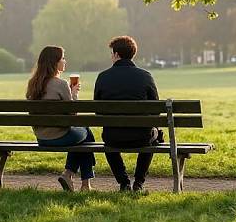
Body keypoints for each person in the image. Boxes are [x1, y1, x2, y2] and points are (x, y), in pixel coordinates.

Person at [94, 35, 160, 192]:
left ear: (116, 54)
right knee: (153, 136)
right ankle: (138, 183)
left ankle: (124, 182)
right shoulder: (145, 76)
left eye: (112, 53)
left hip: (113, 137)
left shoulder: (103, 77)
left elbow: (98, 110)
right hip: (141, 137)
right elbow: (156, 109)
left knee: (108, 142)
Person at [26, 45, 95, 192]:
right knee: (86, 134)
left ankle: (69, 176)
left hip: (41, 137)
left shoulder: (33, 84)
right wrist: (74, 95)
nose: (65, 61)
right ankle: (82, 183)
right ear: (54, 62)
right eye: (62, 58)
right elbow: (73, 117)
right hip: (60, 136)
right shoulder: (61, 84)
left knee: (81, 137)